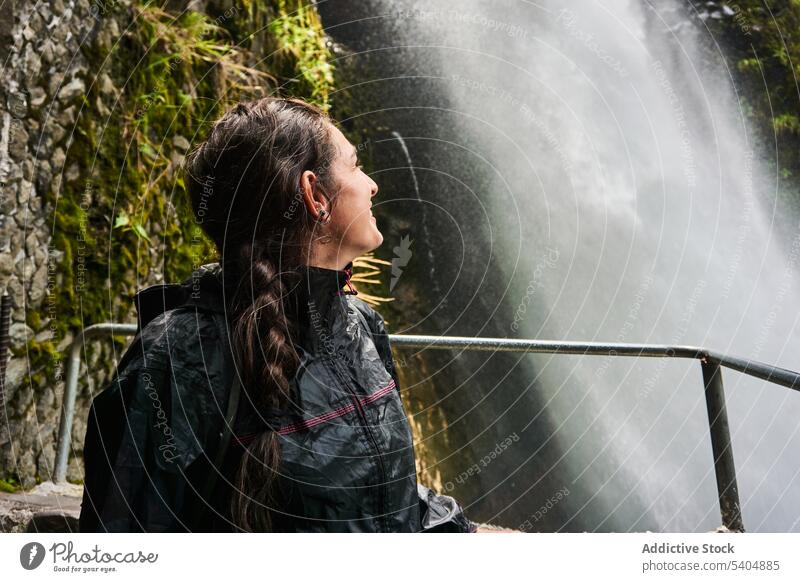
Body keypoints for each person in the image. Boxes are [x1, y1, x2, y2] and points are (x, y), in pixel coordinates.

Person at [78, 96, 479, 532]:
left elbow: (383, 501)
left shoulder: (361, 324)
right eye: (356, 165)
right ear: (314, 195)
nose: (372, 185)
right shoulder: (181, 356)